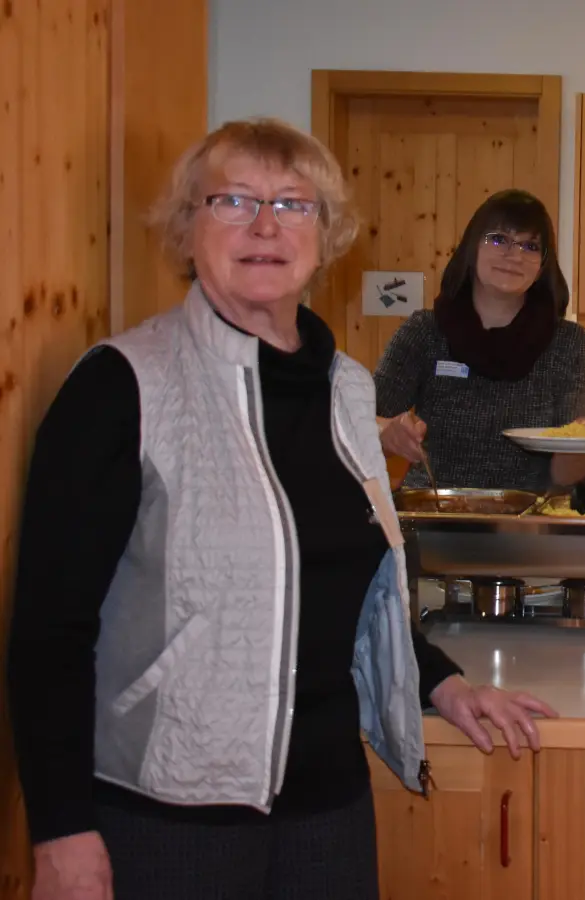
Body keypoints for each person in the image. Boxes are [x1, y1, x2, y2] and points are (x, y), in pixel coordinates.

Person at [6, 118, 557, 900]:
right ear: (187, 225)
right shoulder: (122, 386)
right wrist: (60, 830)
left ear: (326, 236)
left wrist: (444, 682)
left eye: (294, 204)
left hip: (328, 805)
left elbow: (343, 589)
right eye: (233, 200)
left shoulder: (348, 389)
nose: (265, 225)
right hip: (170, 814)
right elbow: (50, 630)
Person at [374, 189, 585, 493]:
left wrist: (581, 445)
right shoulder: (425, 331)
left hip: (529, 516)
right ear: (471, 247)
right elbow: (359, 422)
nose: (514, 255)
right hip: (434, 510)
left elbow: (569, 471)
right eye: (499, 239)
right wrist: (386, 431)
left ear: (543, 265)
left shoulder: (569, 343)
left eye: (530, 246)